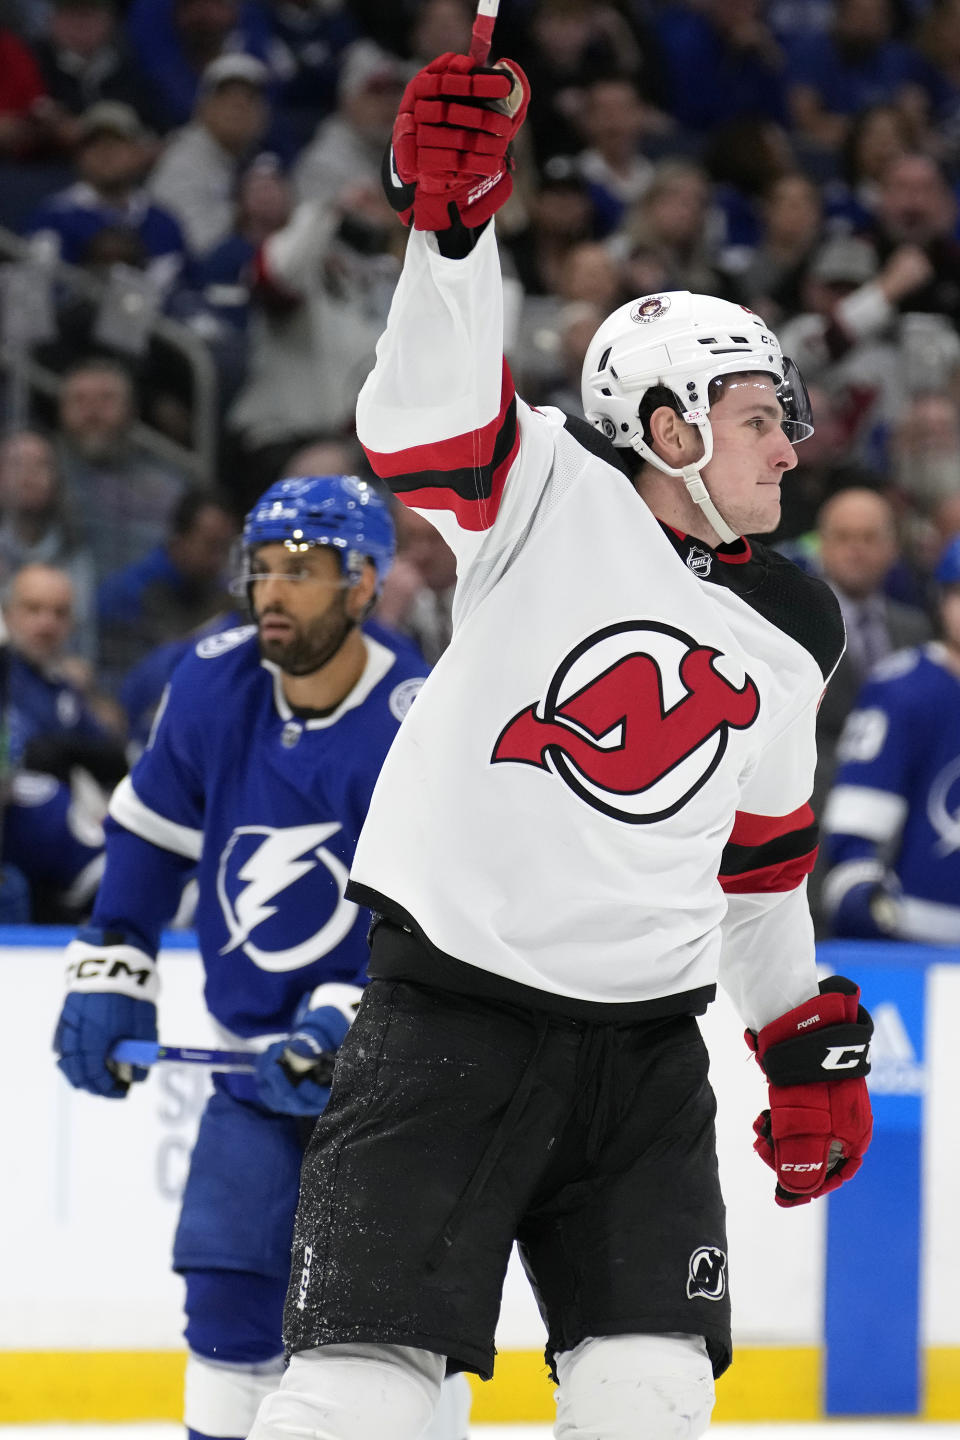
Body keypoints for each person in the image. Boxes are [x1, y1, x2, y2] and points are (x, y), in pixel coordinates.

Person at [249, 52, 874, 1440]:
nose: (790, 449)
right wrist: (452, 226)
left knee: (650, 1397)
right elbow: (415, 422)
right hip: (448, 1027)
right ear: (665, 426)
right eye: (759, 418)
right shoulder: (543, 492)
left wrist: (792, 1044)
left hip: (648, 1063)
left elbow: (760, 870)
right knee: (361, 1400)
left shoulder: (797, 624)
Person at [52, 474, 470, 1440]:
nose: (274, 591)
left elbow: (435, 914)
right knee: (228, 1299)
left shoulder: (417, 720)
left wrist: (349, 1016)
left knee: (398, 1330)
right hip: (253, 1067)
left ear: (365, 584)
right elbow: (152, 830)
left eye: (306, 571)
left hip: (398, 1084)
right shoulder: (211, 678)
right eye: (265, 568)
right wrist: (115, 956)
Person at [821, 535, 960, 944]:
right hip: (915, 942)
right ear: (942, 601)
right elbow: (855, 837)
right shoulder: (904, 690)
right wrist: (867, 901)